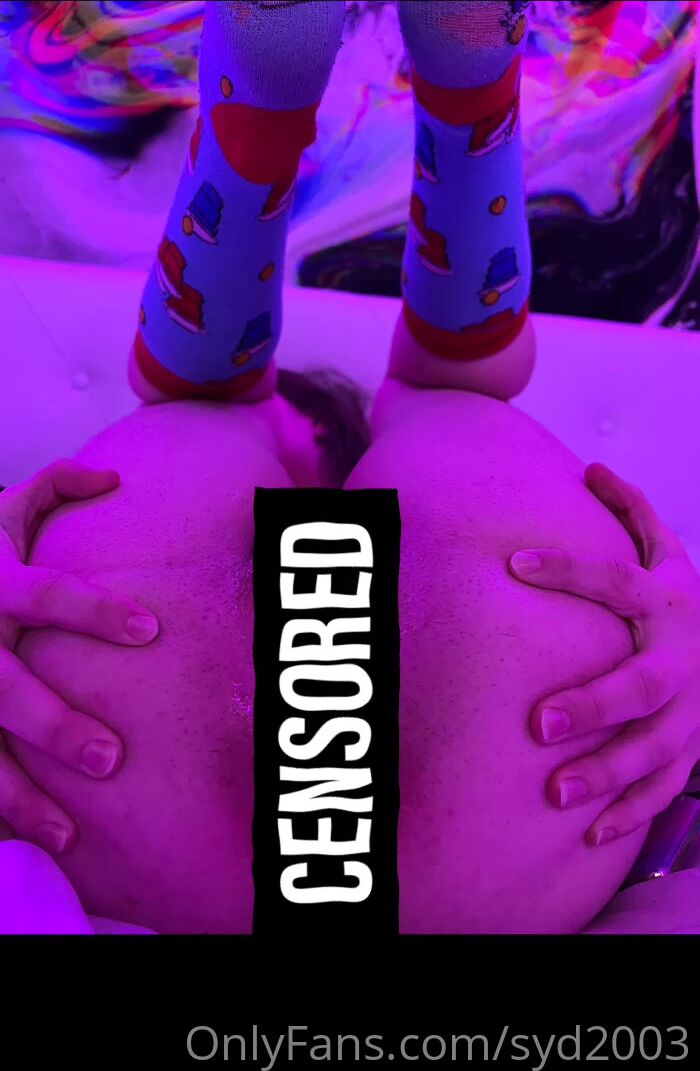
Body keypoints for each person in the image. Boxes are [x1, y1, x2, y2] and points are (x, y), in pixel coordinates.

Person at [1, 1, 700, 931]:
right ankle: (449, 108)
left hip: (148, 803)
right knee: (441, 394)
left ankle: (279, 119)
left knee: (209, 403)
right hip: (490, 823)